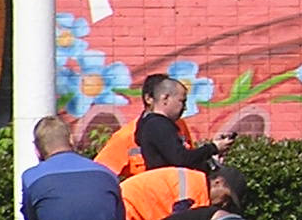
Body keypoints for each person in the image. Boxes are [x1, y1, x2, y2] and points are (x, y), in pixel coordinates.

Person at [95, 73, 233, 179]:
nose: (185, 108)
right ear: (154, 98)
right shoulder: (126, 136)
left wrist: (211, 160)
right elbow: (100, 173)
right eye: (181, 101)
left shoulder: (178, 125)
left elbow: (188, 159)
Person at [120, 160, 223, 220]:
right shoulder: (193, 194)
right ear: (218, 183)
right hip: (126, 213)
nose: (224, 204)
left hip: (128, 210)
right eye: (227, 197)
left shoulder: (195, 183)